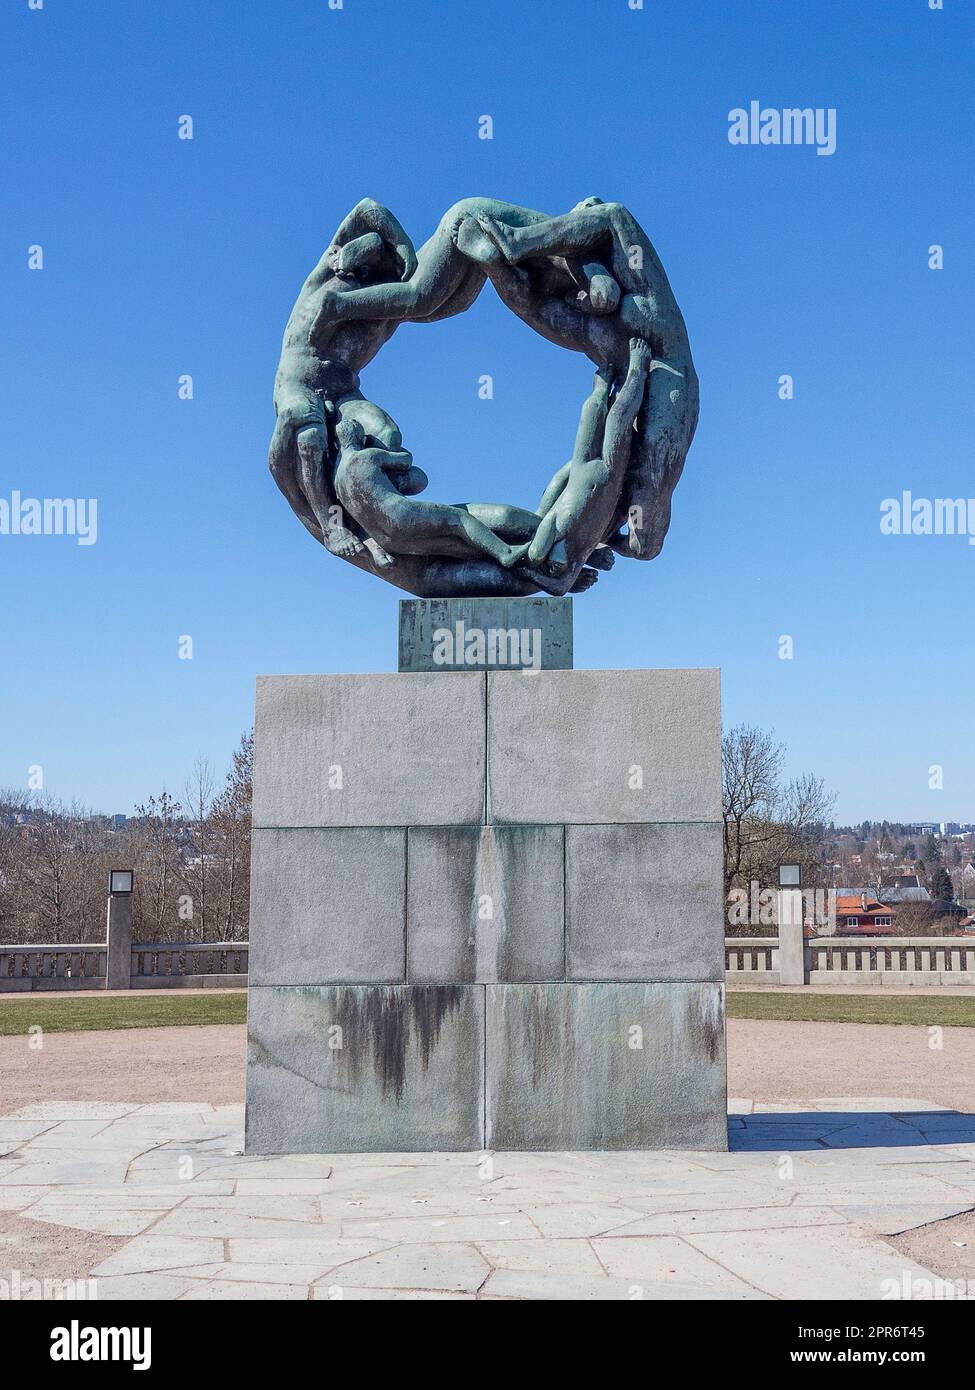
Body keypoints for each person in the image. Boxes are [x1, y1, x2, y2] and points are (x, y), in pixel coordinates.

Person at [332, 419, 534, 571]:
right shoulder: (366, 456)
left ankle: (500, 560)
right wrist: (383, 447)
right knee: (458, 518)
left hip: (386, 538)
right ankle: (505, 552)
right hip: (401, 515)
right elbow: (405, 461)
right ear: (360, 437)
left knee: (450, 544)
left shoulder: (337, 479)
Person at [529, 341, 652, 572]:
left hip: (582, 468)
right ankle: (638, 368)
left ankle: (602, 386)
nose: (556, 566)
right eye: (558, 568)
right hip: (610, 473)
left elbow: (555, 487)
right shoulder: (587, 546)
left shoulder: (550, 526)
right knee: (618, 418)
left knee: (593, 412)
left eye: (552, 564)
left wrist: (570, 467)